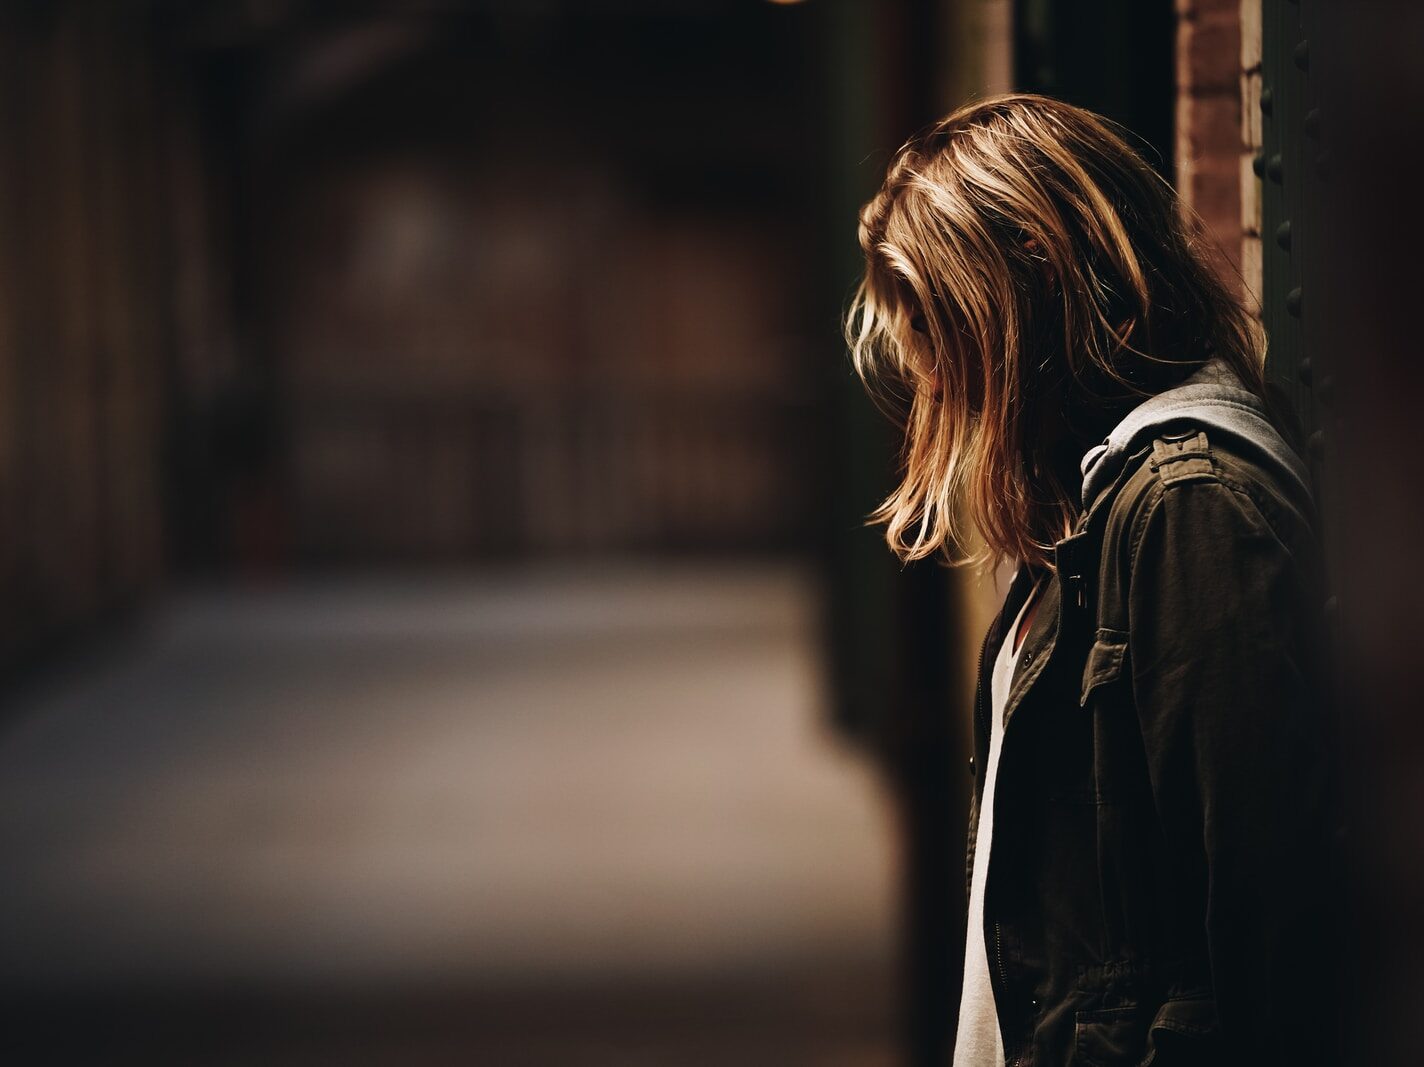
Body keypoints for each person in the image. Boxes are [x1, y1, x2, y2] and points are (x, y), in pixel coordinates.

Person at [846, 94, 1343, 1066]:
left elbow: (1264, 940)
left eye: (940, 324)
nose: (933, 377)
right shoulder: (1095, 503)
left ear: (1033, 270)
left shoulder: (1187, 505)